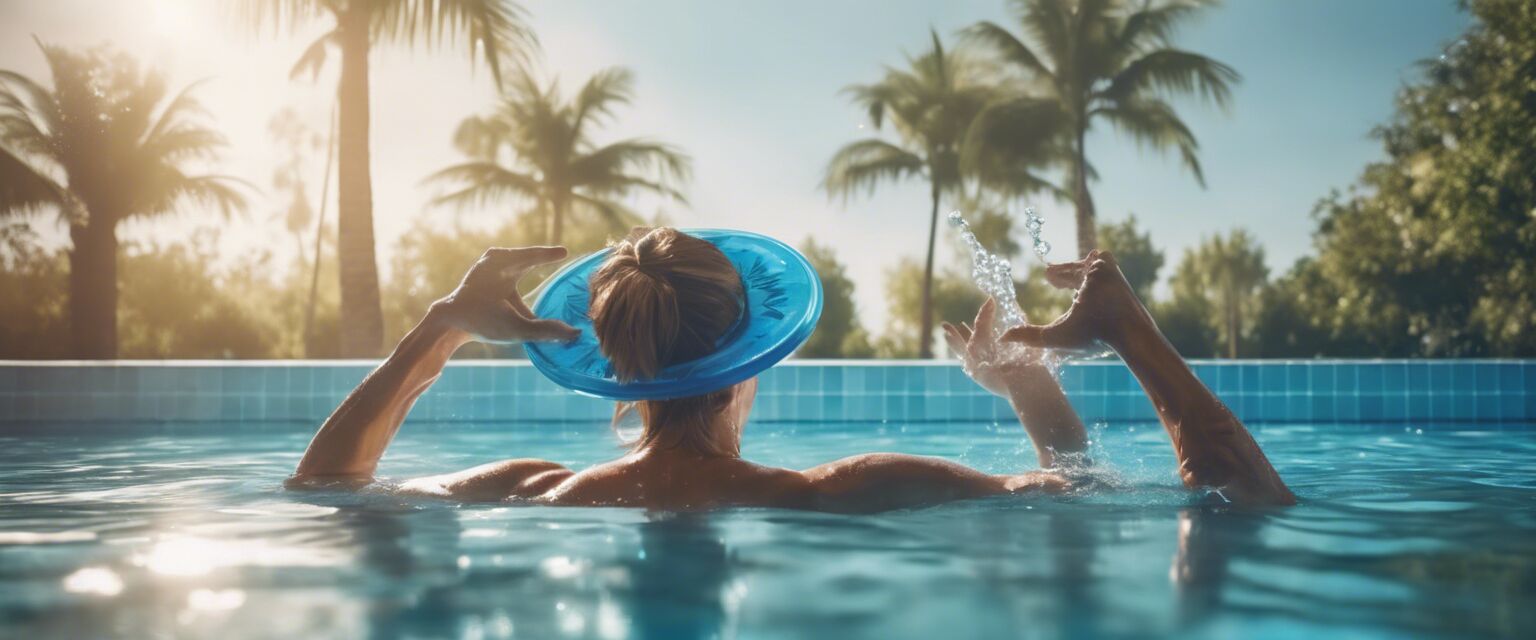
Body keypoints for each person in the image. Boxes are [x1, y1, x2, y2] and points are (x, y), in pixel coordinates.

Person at [286, 228, 1294, 510]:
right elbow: (1232, 501)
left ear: (614, 367)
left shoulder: (535, 494)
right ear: (747, 364)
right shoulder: (851, 491)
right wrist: (1108, 342)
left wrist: (437, 328)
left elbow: (327, 485)